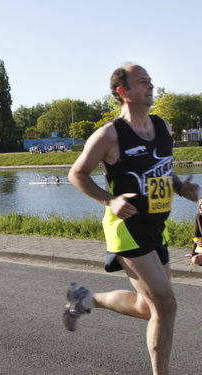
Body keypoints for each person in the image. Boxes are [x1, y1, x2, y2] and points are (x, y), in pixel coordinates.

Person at [64, 64, 199, 375]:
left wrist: (181, 187)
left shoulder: (162, 127)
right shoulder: (110, 135)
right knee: (166, 307)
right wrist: (109, 200)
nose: (150, 86)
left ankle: (86, 298)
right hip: (126, 229)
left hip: (156, 227)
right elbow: (77, 174)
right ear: (122, 92)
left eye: (150, 81)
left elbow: (162, 168)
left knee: (147, 307)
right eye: (142, 82)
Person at [189, 198, 202, 265]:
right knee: (195, 259)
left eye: (201, 205)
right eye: (198, 205)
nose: (198, 207)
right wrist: (193, 253)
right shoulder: (198, 216)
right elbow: (196, 235)